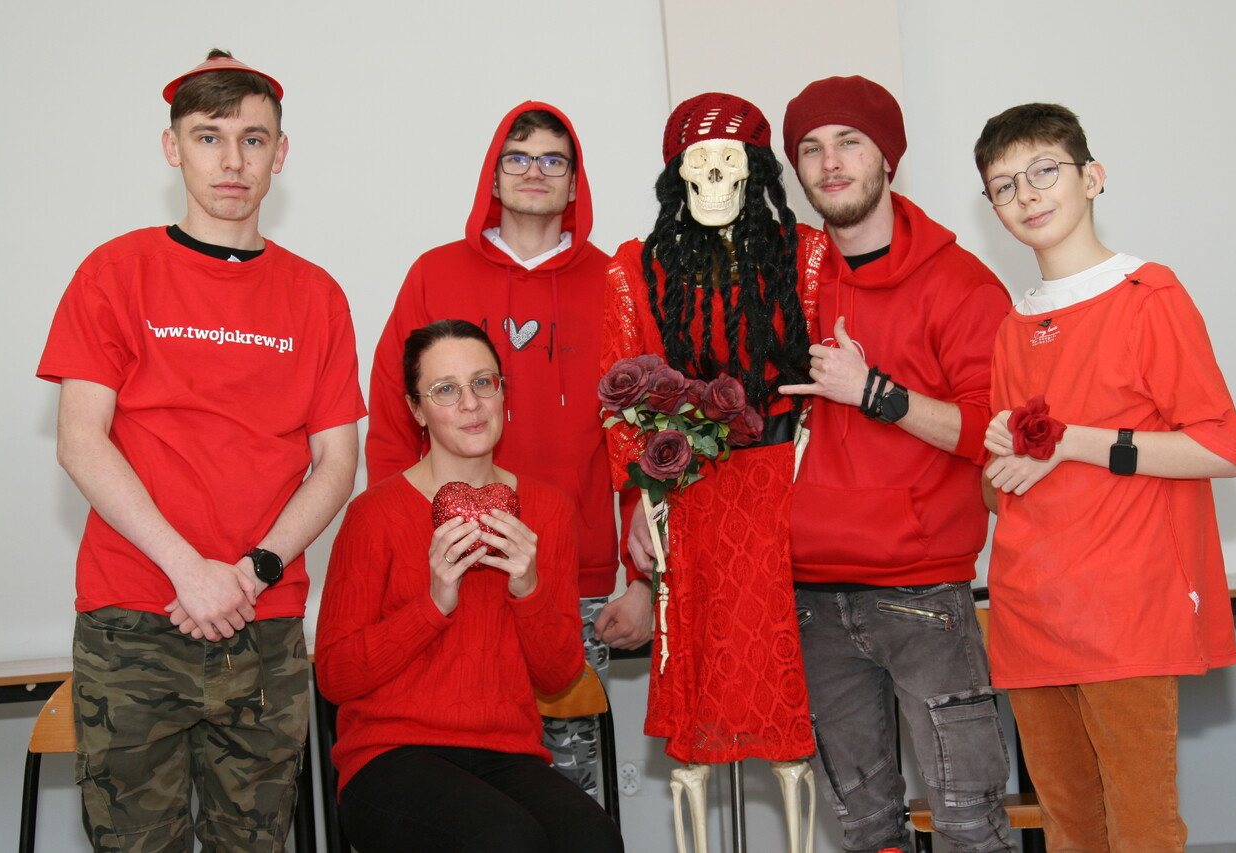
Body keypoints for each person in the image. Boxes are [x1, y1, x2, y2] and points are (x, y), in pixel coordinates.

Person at [37, 50, 364, 851]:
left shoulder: (317, 295)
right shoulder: (114, 272)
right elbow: (81, 439)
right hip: (134, 616)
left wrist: (251, 571)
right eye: (208, 137)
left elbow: (336, 463)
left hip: (265, 621)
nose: (232, 160)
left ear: (279, 154)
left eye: (253, 139)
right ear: (172, 147)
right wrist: (189, 570)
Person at [974, 102, 1236, 853]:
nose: (1027, 195)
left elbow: (1222, 447)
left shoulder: (1149, 294)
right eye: (1004, 186)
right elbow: (1000, 491)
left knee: (1142, 826)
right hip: (1031, 610)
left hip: (1125, 611)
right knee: (1069, 829)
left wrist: (1074, 442)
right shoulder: (1012, 327)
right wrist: (999, 460)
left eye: (1044, 171)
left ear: (1092, 178)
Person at [366, 102, 650, 797]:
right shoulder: (434, 274)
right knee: (461, 784)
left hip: (572, 580)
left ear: (575, 181)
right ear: (492, 176)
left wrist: (645, 581)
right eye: (518, 157)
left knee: (568, 787)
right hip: (449, 572)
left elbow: (644, 439)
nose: (535, 172)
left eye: (554, 159)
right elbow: (393, 423)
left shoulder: (617, 282)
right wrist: (404, 561)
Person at [778, 75, 1015, 853]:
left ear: (889, 157)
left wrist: (875, 392)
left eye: (850, 142)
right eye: (810, 147)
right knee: (865, 831)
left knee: (969, 827)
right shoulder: (786, 281)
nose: (830, 162)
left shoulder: (960, 283)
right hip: (811, 596)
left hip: (923, 595)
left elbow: (993, 432)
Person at [317, 320, 624, 853]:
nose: (470, 403)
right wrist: (433, 604)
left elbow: (557, 677)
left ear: (503, 393)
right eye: (445, 389)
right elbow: (336, 677)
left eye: (484, 382)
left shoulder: (547, 510)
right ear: (416, 410)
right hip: (390, 756)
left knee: (593, 840)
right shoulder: (374, 515)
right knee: (505, 841)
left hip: (508, 754)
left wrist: (528, 587)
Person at [604, 92, 820, 770]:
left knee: (800, 709)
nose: (716, 178)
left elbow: (832, 399)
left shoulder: (808, 257)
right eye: (700, 163)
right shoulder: (633, 269)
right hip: (689, 507)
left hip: (792, 505)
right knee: (700, 721)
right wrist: (641, 505)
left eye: (730, 160)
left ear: (757, 169)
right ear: (677, 176)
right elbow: (618, 405)